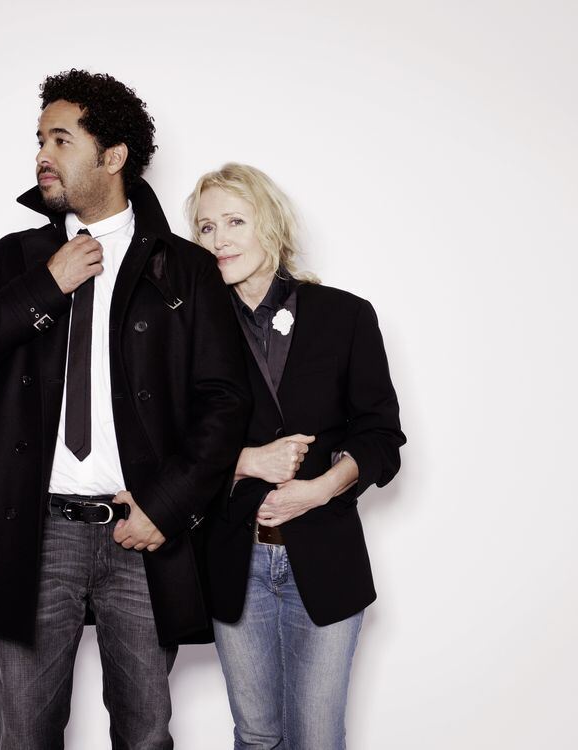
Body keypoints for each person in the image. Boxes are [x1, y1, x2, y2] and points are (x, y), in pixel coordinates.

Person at [0, 71, 251, 750]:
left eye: (61, 140)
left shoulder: (184, 268)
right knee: (26, 734)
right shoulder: (16, 259)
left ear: (113, 156)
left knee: (145, 735)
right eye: (39, 140)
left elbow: (224, 403)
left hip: (141, 530)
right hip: (34, 531)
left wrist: (166, 505)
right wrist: (46, 286)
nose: (42, 155)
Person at [186, 163, 405, 750]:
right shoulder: (190, 329)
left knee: (316, 737)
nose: (219, 238)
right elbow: (166, 444)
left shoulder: (346, 315)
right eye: (206, 227)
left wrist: (320, 489)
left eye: (235, 221)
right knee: (257, 735)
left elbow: (382, 436)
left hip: (327, 558)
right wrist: (245, 461)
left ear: (272, 224)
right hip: (234, 562)